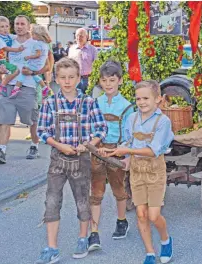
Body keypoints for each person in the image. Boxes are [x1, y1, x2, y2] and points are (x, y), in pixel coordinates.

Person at [35, 57, 107, 264]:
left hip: (80, 159)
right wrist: (59, 145)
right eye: (63, 77)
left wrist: (88, 144)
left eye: (71, 77)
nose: (67, 81)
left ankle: (83, 238)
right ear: (56, 78)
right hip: (57, 159)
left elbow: (101, 128)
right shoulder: (50, 102)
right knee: (51, 202)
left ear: (78, 78)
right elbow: (42, 130)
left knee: (83, 200)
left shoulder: (88, 102)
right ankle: (52, 247)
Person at [101, 80, 174, 264]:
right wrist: (115, 151)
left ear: (157, 99)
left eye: (146, 98)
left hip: (155, 171)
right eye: (138, 98)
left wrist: (128, 152)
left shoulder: (163, 121)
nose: (141, 102)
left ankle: (165, 239)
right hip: (136, 172)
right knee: (141, 214)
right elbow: (127, 142)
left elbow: (153, 151)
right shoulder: (132, 118)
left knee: (153, 215)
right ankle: (149, 253)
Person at [0, 15, 50, 164]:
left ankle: (34, 145)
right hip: (9, 85)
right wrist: (0, 68)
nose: (19, 26)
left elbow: (49, 65)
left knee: (31, 120)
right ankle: (1, 150)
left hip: (28, 87)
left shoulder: (36, 42)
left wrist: (34, 72)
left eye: (22, 24)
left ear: (28, 25)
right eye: (16, 24)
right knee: (5, 118)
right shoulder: (8, 40)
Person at [88, 60, 134, 251]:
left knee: (119, 189)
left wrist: (124, 152)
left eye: (112, 80)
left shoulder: (126, 106)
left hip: (116, 151)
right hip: (97, 151)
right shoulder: (94, 103)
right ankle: (94, 233)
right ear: (100, 81)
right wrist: (92, 144)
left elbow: (129, 133)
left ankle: (121, 221)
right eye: (104, 80)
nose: (108, 84)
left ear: (120, 81)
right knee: (96, 192)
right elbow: (89, 127)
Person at [10, 24, 52, 99]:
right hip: (40, 65)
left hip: (35, 64)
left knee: (23, 71)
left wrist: (28, 57)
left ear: (38, 35)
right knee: (34, 75)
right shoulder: (45, 44)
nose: (32, 35)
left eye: (33, 34)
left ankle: (16, 89)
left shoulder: (37, 44)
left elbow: (38, 54)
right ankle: (44, 88)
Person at [0, 16, 24, 96]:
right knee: (16, 70)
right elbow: (6, 48)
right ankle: (2, 86)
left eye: (6, 26)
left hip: (4, 60)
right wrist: (18, 49)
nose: (5, 28)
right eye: (2, 27)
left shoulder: (8, 36)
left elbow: (18, 36)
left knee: (8, 72)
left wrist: (26, 34)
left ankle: (1, 86)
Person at [68, 28, 98, 94]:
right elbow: (69, 65)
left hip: (88, 79)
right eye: (77, 36)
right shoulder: (72, 49)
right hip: (75, 79)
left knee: (88, 100)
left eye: (81, 36)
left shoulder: (92, 49)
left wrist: (93, 78)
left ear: (86, 37)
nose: (79, 38)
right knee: (75, 100)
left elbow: (97, 65)